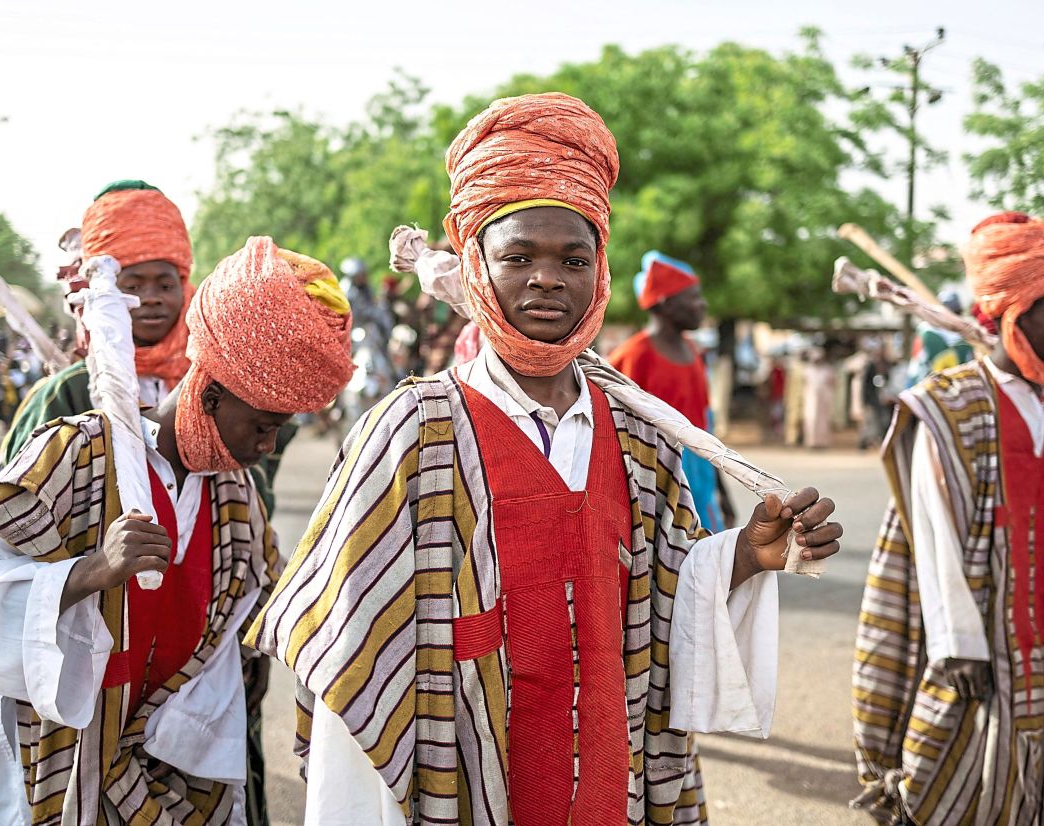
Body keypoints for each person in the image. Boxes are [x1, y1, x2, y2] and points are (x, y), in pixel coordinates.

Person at [248, 92, 844, 826]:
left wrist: (747, 556)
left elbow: (663, 594)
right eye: (518, 256)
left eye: (572, 258)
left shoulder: (639, 435)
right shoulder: (409, 429)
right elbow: (346, 650)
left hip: (606, 776)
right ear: (475, 266)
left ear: (600, 271)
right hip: (458, 779)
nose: (547, 278)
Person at [0, 236, 354, 825]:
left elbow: (251, 640)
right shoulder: (72, 455)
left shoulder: (236, 498)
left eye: (278, 431)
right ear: (208, 392)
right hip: (56, 767)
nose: (265, 448)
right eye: (262, 426)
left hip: (172, 776)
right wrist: (90, 572)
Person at [851, 212, 1044, 826]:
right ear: (1014, 317)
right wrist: (959, 643)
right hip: (980, 626)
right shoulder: (950, 406)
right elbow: (932, 531)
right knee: (963, 769)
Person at [0, 180, 194, 471]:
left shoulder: (205, 381)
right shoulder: (68, 390)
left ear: (184, 288)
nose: (151, 299)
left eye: (165, 285)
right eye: (133, 286)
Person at [608, 251, 735, 530]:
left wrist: (721, 492)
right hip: (653, 483)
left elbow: (705, 429)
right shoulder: (633, 356)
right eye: (693, 297)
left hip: (700, 482)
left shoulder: (692, 351)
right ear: (665, 303)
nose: (703, 305)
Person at [904, 288, 976, 389]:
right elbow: (916, 363)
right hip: (932, 387)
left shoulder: (967, 332)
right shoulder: (926, 331)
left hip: (958, 387)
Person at [802, 346, 835, 449]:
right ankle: (811, 442)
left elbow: (834, 382)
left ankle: (823, 443)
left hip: (824, 399)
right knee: (810, 419)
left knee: (823, 421)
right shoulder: (807, 370)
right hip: (811, 399)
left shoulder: (827, 369)